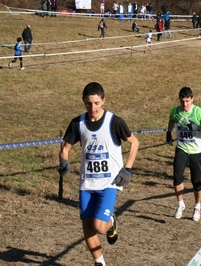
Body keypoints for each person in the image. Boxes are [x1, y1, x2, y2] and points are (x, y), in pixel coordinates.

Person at [58, 82, 139, 266]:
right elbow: (66, 148)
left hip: (109, 183)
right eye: (88, 103)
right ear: (83, 102)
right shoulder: (77, 123)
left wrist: (128, 168)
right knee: (87, 226)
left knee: (99, 227)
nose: (92, 108)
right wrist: (64, 162)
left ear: (103, 100)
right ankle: (99, 262)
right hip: (87, 183)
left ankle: (111, 221)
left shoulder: (115, 122)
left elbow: (134, 143)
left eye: (96, 103)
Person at [165, 87, 201, 222]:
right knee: (176, 178)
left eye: (187, 101)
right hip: (182, 149)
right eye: (182, 101)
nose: (185, 104)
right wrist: (168, 133)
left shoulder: (198, 113)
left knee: (196, 182)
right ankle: (180, 203)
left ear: (192, 99)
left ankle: (197, 206)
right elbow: (171, 120)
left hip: (196, 152)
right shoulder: (175, 111)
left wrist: (199, 128)